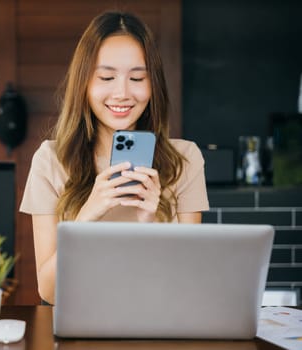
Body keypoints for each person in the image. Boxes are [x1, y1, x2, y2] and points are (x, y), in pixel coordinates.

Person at [19, 11, 209, 305]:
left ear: (152, 85)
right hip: (79, 326)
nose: (122, 93)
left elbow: (187, 285)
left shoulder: (186, 160)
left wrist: (149, 224)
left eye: (137, 78)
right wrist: (86, 217)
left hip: (159, 323)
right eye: (106, 77)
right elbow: (49, 292)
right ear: (83, 83)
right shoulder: (50, 160)